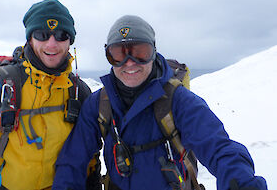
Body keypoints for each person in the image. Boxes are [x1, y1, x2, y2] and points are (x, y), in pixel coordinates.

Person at [52, 15, 268, 190]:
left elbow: (220, 148)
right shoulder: (99, 104)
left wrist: (241, 182)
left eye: (140, 52)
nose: (129, 63)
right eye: (118, 54)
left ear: (153, 52)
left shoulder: (179, 101)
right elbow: (73, 160)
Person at [0, 0, 101, 190]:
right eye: (42, 34)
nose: (52, 44)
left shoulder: (78, 93)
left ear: (70, 42)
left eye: (61, 35)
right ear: (29, 39)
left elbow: (90, 155)